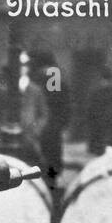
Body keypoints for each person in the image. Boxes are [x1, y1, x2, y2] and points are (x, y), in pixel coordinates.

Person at [31, 50, 70, 188]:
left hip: (45, 122)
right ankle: (51, 182)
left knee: (42, 154)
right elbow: (59, 99)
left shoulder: (46, 74)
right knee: (52, 156)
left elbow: (51, 98)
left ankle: (45, 182)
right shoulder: (55, 73)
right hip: (54, 122)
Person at [84, 66, 112, 156]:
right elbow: (90, 108)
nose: (105, 82)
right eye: (104, 80)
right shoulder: (96, 93)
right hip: (97, 121)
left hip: (107, 121)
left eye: (107, 80)